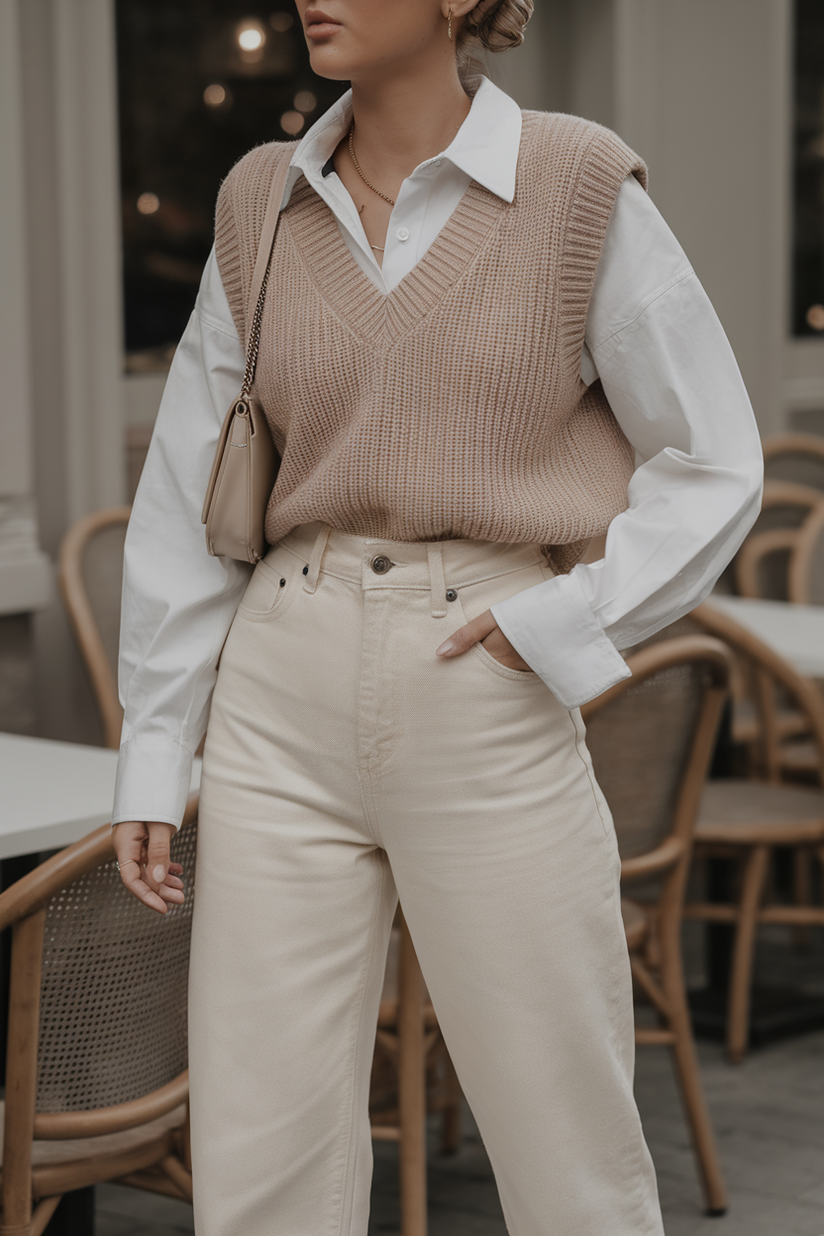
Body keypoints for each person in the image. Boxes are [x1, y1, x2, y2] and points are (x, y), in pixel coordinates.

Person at [111, 1, 763, 1232]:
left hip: (483, 674)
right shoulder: (263, 198)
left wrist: (560, 625)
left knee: (561, 1134)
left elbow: (713, 460)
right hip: (278, 685)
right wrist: (155, 750)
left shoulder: (572, 185)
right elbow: (182, 489)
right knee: (260, 1146)